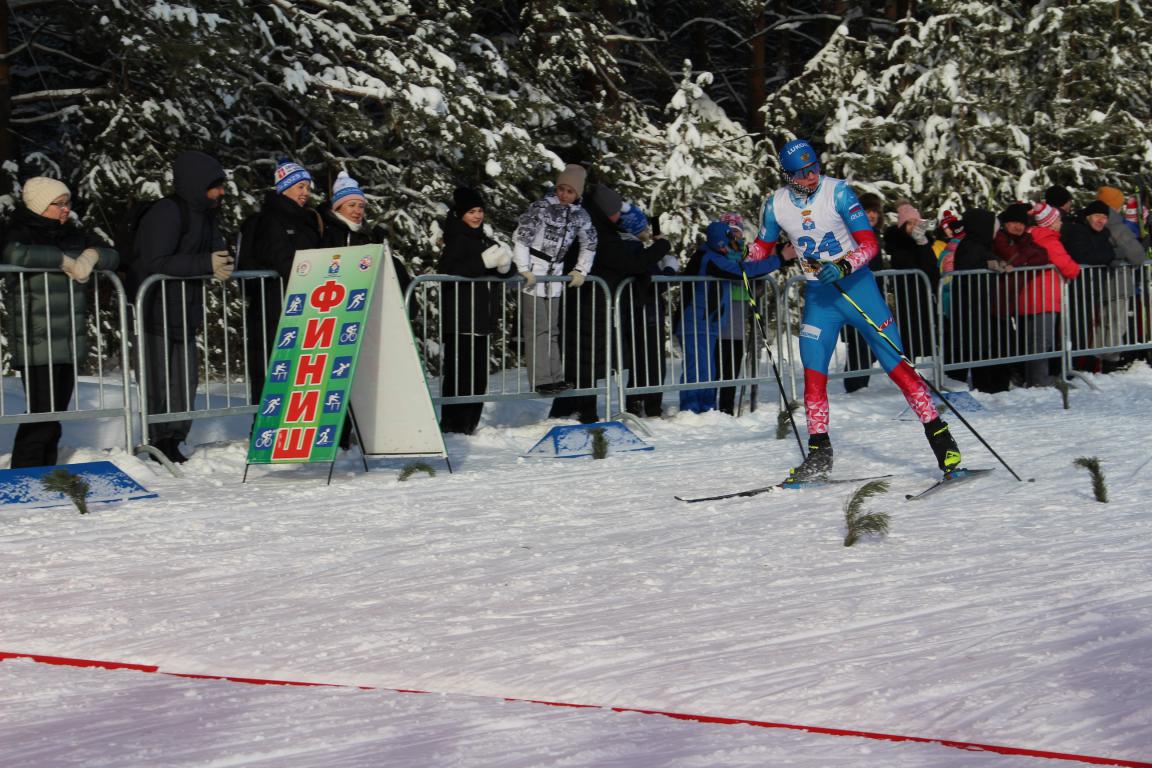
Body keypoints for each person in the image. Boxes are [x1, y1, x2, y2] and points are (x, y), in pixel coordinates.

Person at [746, 138, 962, 480]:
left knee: (899, 367)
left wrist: (845, 266)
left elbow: (869, 243)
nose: (811, 176)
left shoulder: (839, 193)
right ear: (787, 176)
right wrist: (742, 258)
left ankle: (942, 441)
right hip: (820, 300)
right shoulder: (775, 205)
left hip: (859, 292)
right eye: (801, 173)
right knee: (814, 375)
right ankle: (819, 454)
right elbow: (762, 245)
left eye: (814, 167)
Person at [2, 177, 118, 468]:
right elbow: (15, 254)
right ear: (41, 205)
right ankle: (25, 469)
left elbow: (114, 256)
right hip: (36, 337)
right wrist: (63, 261)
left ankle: (46, 469)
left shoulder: (72, 234)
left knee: (56, 413)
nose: (66, 210)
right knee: (41, 412)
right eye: (59, 204)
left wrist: (91, 256)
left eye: (68, 203)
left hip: (67, 338)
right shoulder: (20, 231)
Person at [132, 150, 232, 463]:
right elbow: (155, 261)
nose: (221, 192)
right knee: (158, 380)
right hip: (155, 311)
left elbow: (219, 250)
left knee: (184, 381)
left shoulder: (206, 214)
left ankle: (175, 438)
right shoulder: (167, 212)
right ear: (198, 184)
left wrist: (224, 262)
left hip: (185, 312)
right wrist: (206, 262)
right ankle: (158, 440)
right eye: (215, 186)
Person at [549, 182, 671, 423]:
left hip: (591, 304)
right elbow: (630, 263)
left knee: (585, 362)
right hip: (588, 305)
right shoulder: (599, 232)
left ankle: (576, 410)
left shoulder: (598, 227)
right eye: (615, 212)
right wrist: (662, 247)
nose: (618, 217)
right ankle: (582, 412)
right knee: (585, 362)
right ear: (605, 212)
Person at [242, 157, 324, 406]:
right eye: (300, 187)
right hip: (273, 307)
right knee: (271, 369)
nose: (305, 193)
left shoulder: (307, 220)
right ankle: (266, 427)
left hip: (302, 305)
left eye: (308, 188)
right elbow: (279, 258)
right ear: (284, 187)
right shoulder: (269, 220)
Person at [434, 186, 514, 434]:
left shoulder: (482, 239)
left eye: (480, 211)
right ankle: (452, 425)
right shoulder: (456, 238)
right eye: (471, 211)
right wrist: (483, 263)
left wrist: (503, 268)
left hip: (480, 319)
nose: (477, 216)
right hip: (460, 319)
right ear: (460, 214)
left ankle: (470, 425)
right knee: (460, 375)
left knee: (478, 377)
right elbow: (448, 268)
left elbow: (503, 268)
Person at [511, 164, 597, 395]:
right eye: (561, 189)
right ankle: (540, 379)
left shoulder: (580, 214)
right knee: (537, 328)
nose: (564, 195)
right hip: (534, 271)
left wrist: (581, 270)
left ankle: (555, 376)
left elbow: (589, 243)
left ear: (577, 193)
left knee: (552, 329)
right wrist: (523, 267)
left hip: (556, 275)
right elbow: (521, 237)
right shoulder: (540, 208)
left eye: (570, 191)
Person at [676, 218, 775, 414]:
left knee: (709, 371)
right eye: (728, 240)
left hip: (709, 322)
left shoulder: (717, 256)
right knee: (698, 369)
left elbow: (741, 263)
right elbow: (743, 271)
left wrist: (765, 255)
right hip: (695, 321)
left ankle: (707, 408)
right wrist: (778, 259)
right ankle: (691, 410)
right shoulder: (709, 258)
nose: (731, 245)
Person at [993, 201, 1080, 387]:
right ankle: (1039, 380)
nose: (1061, 223)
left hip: (1028, 297)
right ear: (1050, 222)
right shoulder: (1048, 238)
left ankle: (1032, 378)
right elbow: (1069, 267)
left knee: (1033, 342)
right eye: (1057, 220)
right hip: (1043, 298)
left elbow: (1038, 256)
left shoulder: (1031, 237)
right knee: (1042, 342)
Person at [884, 200, 940, 363]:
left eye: (916, 222)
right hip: (907, 297)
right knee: (909, 337)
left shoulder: (925, 242)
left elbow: (930, 268)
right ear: (902, 226)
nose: (914, 226)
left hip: (925, 295)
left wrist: (922, 243)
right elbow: (903, 263)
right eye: (909, 223)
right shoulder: (897, 243)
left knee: (929, 335)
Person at [840, 193, 885, 392]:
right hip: (855, 295)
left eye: (875, 211)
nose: (872, 215)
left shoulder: (874, 234)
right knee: (859, 342)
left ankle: (858, 384)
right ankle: (855, 385)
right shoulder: (852, 234)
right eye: (867, 210)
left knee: (871, 342)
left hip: (873, 296)